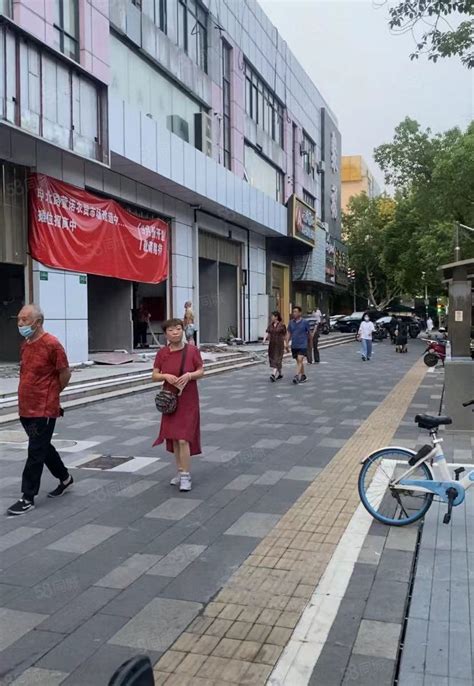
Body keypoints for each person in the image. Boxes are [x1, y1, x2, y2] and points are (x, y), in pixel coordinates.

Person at [7, 305, 73, 516]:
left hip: (43, 408)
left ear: (38, 321)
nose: (20, 324)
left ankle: (27, 497)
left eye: (24, 320)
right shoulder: (26, 344)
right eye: (19, 320)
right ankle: (65, 478)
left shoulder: (52, 344)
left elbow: (65, 372)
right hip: (26, 406)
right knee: (41, 446)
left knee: (35, 450)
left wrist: (53, 393)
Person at [152, 319, 204, 492]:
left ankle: (186, 475)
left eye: (178, 329)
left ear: (183, 331)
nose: (175, 332)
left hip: (188, 400)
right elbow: (154, 375)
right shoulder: (162, 353)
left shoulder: (192, 351)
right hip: (170, 400)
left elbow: (201, 371)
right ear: (166, 334)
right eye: (171, 330)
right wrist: (166, 376)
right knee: (174, 438)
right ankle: (180, 470)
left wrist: (189, 375)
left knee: (183, 438)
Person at [286, 306, 311, 384]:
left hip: (303, 344)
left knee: (300, 359)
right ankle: (303, 375)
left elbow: (309, 333)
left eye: (296, 312)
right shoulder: (291, 322)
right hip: (294, 345)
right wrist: (286, 343)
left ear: (300, 313)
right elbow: (289, 333)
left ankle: (296, 376)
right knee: (299, 361)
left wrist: (310, 343)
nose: (294, 313)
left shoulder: (305, 322)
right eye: (293, 312)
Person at [263, 311, 287, 381]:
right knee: (273, 358)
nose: (271, 317)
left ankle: (273, 374)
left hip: (279, 345)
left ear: (276, 317)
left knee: (277, 359)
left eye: (272, 316)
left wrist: (286, 344)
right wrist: (264, 339)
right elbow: (267, 332)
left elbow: (285, 335)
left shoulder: (282, 325)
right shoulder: (270, 325)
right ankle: (280, 374)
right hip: (272, 345)